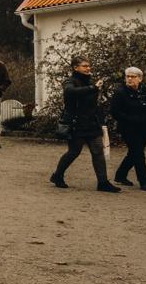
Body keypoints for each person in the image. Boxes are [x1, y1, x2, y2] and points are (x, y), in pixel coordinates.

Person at [50, 57, 121, 192]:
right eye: (84, 66)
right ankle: (57, 175)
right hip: (77, 123)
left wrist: (101, 121)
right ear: (75, 68)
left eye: (89, 66)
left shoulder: (90, 82)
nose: (88, 68)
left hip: (92, 123)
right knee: (74, 152)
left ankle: (103, 183)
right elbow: (70, 92)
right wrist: (93, 88)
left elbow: (93, 105)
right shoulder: (70, 82)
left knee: (98, 151)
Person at [111, 66, 146, 191]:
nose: (130, 79)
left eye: (133, 76)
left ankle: (120, 175)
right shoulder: (120, 92)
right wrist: (131, 120)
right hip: (128, 128)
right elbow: (115, 112)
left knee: (134, 152)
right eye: (128, 76)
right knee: (138, 153)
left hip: (145, 127)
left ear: (140, 79)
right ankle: (145, 182)